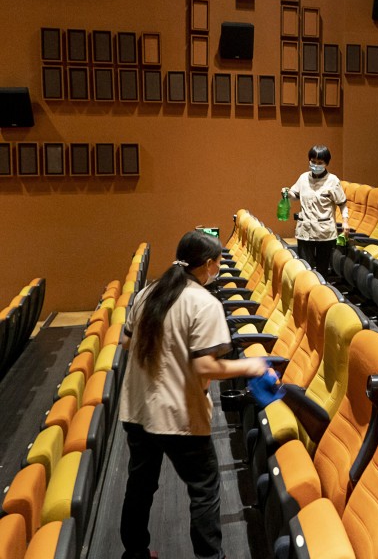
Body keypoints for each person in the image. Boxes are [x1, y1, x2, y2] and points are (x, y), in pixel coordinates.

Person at [119, 230, 269, 559]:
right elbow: (205, 367)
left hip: (137, 409)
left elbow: (127, 342)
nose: (218, 268)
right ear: (206, 265)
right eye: (217, 263)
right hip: (177, 417)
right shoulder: (203, 302)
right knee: (204, 489)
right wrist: (250, 367)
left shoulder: (148, 293)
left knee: (140, 486)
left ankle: (135, 553)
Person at [282, 144, 349, 278]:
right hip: (305, 231)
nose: (315, 165)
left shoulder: (333, 181)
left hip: (325, 233)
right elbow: (295, 195)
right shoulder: (303, 178)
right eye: (313, 161)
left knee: (322, 271)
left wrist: (346, 222)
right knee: (305, 270)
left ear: (326, 163)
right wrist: (287, 193)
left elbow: (342, 204)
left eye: (320, 163)